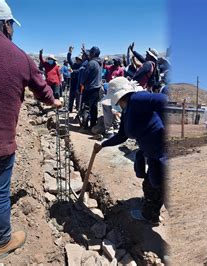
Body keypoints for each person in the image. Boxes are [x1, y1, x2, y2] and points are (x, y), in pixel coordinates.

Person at [0, 0, 62, 258]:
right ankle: (1, 242)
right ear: (4, 24)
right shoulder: (18, 56)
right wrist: (54, 101)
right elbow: (42, 90)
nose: (13, 30)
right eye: (12, 25)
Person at [94, 77, 167, 224]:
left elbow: (163, 100)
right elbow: (122, 136)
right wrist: (103, 144)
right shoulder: (127, 111)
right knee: (152, 184)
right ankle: (151, 214)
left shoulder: (137, 99)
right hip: (152, 154)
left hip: (163, 154)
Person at [79, 46, 103, 129]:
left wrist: (81, 83)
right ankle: (93, 125)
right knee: (94, 107)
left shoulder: (91, 63)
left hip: (89, 88)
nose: (89, 54)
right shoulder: (99, 63)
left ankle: (84, 125)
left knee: (86, 107)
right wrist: (84, 51)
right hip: (97, 89)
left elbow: (85, 76)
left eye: (90, 53)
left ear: (93, 54)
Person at [67, 46, 83, 112]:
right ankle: (70, 109)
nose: (77, 60)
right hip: (73, 84)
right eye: (76, 59)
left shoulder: (82, 66)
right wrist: (70, 52)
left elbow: (79, 71)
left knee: (78, 98)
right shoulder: (73, 65)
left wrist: (73, 71)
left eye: (78, 59)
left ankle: (77, 110)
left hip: (78, 85)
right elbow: (69, 59)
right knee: (71, 97)